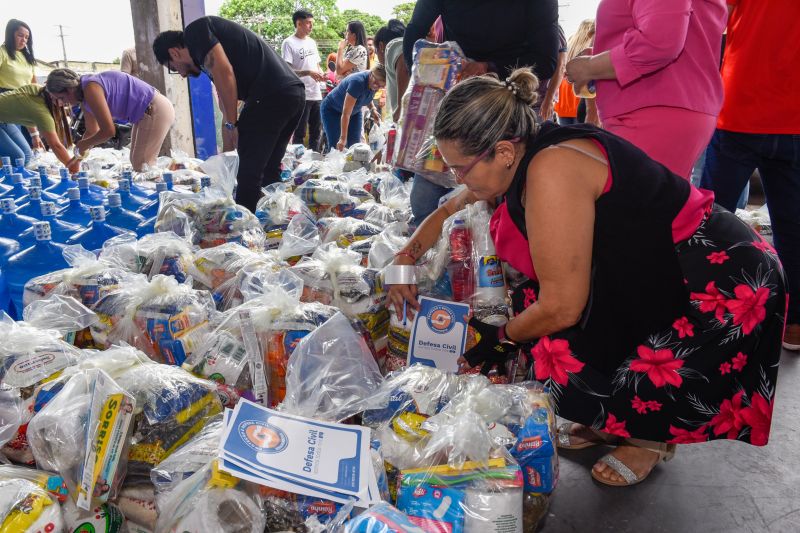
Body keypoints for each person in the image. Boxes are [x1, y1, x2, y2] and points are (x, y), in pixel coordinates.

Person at [387, 69, 785, 487]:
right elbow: (446, 211)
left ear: (502, 151)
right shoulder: (520, 151)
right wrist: (403, 260)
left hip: (711, 276)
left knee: (554, 342)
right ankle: (611, 420)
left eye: (459, 169)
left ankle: (647, 439)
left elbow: (562, 306)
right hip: (653, 264)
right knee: (543, 324)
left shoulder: (552, 170)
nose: (457, 179)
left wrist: (500, 336)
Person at [402, 0, 560, 226]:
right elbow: (415, 30)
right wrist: (418, 77)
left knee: (511, 203)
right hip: (455, 94)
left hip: (507, 98)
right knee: (426, 197)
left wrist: (489, 67)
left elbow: (546, 59)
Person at [700, 0, 800, 350]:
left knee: (711, 220)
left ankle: (703, 310)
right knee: (793, 226)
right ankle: (795, 322)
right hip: (794, 113)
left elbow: (715, 20)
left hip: (741, 103)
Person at [152, 16, 305, 212]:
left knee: (249, 172)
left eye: (173, 68)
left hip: (269, 96)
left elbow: (225, 72)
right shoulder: (207, 59)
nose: (181, 74)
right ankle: (273, 221)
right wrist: (226, 149)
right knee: (268, 169)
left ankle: (243, 232)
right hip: (291, 94)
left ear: (174, 52)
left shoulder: (195, 33)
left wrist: (233, 124)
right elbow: (226, 101)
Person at [565, 0, 727, 179]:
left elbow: (660, 42)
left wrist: (589, 67)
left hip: (655, 109)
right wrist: (602, 57)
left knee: (633, 202)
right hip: (665, 107)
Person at [45, 69, 174, 172]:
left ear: (69, 89)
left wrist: (83, 145)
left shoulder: (91, 88)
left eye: (61, 98)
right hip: (145, 113)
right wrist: (76, 159)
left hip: (154, 109)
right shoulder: (84, 96)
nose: (62, 103)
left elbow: (108, 131)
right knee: (137, 161)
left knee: (142, 165)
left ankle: (160, 198)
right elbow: (91, 131)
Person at [0, 84, 78, 173]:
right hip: (3, 120)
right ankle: (6, 180)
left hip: (3, 120)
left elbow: (26, 111)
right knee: (17, 158)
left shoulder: (39, 91)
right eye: (64, 100)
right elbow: (55, 145)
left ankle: (10, 176)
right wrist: (72, 167)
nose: (67, 104)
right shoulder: (41, 112)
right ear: (54, 96)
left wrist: (34, 135)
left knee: (27, 156)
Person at [282, 9, 324, 151]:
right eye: (308, 23)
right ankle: (297, 163)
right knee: (299, 132)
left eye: (312, 23)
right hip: (301, 94)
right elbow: (287, 71)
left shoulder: (312, 42)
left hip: (316, 93)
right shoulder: (288, 43)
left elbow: (318, 65)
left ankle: (315, 162)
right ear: (298, 23)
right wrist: (308, 72)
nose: (311, 26)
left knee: (316, 132)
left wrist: (321, 73)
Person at [0, 19, 40, 164]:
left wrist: (35, 134)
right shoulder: (2, 52)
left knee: (24, 157)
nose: (24, 40)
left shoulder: (28, 58)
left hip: (21, 109)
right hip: (5, 105)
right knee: (17, 157)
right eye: (20, 35)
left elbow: (34, 87)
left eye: (27, 37)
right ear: (10, 34)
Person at [320, 64, 385, 152]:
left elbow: (366, 95)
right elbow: (346, 113)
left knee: (355, 146)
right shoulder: (357, 82)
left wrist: (372, 109)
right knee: (336, 145)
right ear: (371, 74)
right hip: (332, 110)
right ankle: (332, 163)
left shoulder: (375, 82)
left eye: (381, 86)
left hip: (354, 112)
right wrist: (343, 138)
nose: (377, 87)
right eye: (376, 83)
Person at [554, 20, 598, 127]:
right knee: (582, 136)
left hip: (564, 100)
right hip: (578, 98)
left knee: (567, 137)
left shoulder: (569, 43)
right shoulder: (589, 48)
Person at [373, 19, 408, 123]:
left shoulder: (393, 45)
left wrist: (401, 107)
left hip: (406, 114)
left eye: (376, 50)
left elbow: (403, 64)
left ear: (381, 46)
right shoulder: (409, 46)